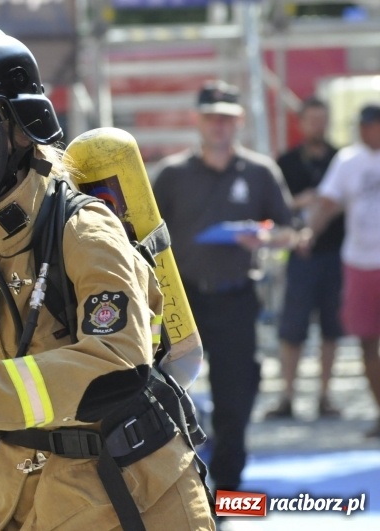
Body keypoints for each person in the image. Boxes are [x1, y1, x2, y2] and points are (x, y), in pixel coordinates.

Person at [0, 20, 215, 530]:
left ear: (17, 135)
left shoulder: (85, 232)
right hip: (23, 497)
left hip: (127, 499)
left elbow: (116, 366)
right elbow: (3, 360)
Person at [151, 80, 293, 494]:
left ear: (239, 122)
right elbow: (143, 231)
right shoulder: (172, 174)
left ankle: (230, 493)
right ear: (197, 120)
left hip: (236, 297)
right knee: (166, 393)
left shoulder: (261, 171)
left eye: (226, 119)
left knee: (236, 398)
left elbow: (291, 231)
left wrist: (265, 238)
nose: (219, 126)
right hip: (183, 300)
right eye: (211, 117)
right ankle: (176, 490)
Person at [302, 103, 380, 437]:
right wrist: (310, 233)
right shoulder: (349, 160)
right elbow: (328, 203)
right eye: (365, 126)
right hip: (360, 262)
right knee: (366, 341)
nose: (369, 131)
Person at [266, 97, 344, 420]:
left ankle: (325, 395)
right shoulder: (285, 162)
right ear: (301, 122)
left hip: (336, 254)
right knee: (292, 328)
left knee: (332, 328)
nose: (318, 126)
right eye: (312, 119)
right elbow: (275, 209)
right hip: (299, 256)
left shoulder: (341, 159)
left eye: (322, 119)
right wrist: (301, 203)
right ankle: (287, 396)